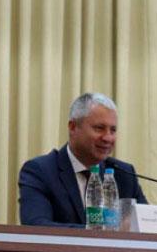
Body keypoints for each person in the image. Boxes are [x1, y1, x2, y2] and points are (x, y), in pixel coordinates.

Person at [18, 92, 147, 228]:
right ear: (73, 127)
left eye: (113, 130)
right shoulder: (40, 171)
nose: (108, 138)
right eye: (99, 128)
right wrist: (105, 231)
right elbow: (36, 226)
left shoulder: (124, 175)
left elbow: (146, 226)